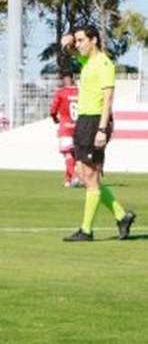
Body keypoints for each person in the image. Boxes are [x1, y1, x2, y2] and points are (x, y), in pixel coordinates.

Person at [60, 25, 136, 242]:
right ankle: (122, 216)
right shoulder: (88, 61)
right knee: (83, 173)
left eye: (82, 40)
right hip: (84, 121)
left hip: (95, 121)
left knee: (91, 176)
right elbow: (71, 52)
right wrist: (68, 43)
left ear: (93, 40)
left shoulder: (104, 63)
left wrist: (102, 129)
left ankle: (86, 230)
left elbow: (108, 99)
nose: (78, 44)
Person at [49, 71, 80, 188]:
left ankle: (74, 177)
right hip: (79, 127)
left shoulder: (61, 93)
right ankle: (68, 180)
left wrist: (55, 119)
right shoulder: (80, 92)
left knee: (67, 153)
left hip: (66, 127)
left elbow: (53, 110)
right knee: (74, 154)